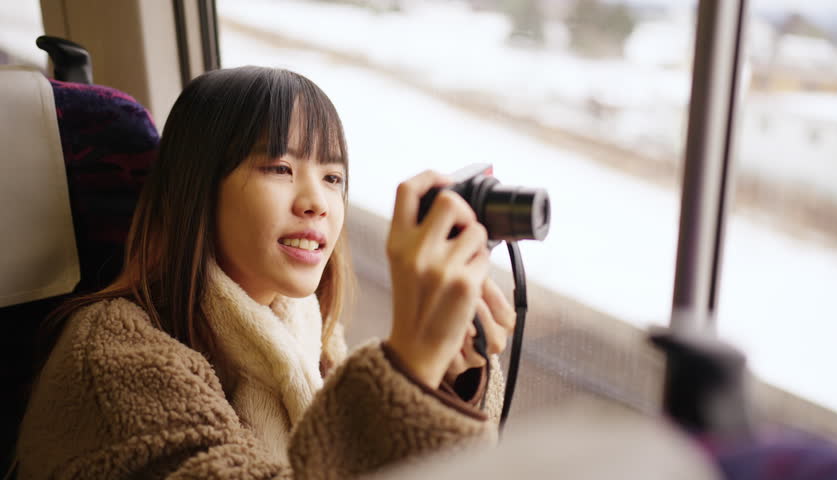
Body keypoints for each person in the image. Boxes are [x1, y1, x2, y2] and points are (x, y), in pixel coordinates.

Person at [15, 66, 514, 479]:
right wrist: (408, 364)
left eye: (333, 176)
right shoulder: (113, 356)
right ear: (198, 190)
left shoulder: (307, 336)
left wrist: (450, 374)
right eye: (280, 168)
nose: (317, 201)